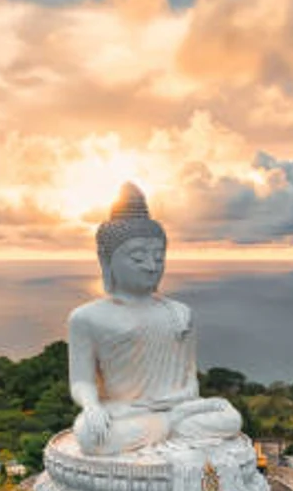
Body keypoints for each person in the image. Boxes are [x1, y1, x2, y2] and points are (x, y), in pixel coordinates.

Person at [68, 183, 244, 456]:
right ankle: (169, 427)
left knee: (230, 418)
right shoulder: (86, 317)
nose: (151, 266)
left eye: (159, 257)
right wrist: (91, 407)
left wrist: (182, 406)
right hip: (123, 411)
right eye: (138, 257)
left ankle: (167, 425)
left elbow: (190, 379)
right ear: (107, 260)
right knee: (90, 435)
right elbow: (81, 381)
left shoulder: (180, 313)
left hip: (178, 409)